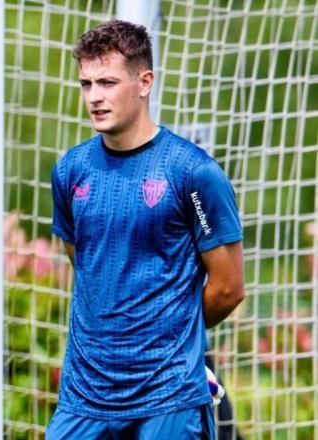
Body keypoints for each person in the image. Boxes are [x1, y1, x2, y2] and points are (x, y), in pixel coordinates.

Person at [47, 20, 244, 439]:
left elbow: (228, 287)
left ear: (144, 82)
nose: (95, 96)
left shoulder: (194, 172)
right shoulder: (70, 170)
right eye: (86, 84)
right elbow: (84, 260)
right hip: (85, 395)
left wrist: (171, 333)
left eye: (107, 82)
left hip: (168, 396)